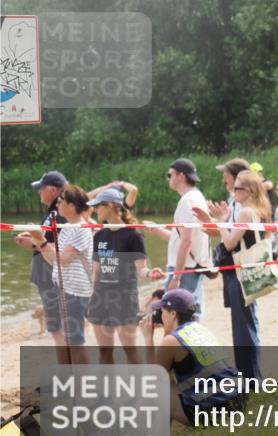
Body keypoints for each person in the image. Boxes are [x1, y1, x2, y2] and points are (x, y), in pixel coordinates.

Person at [194, 159, 262, 381]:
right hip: (238, 270)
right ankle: (249, 376)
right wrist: (214, 222)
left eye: (234, 184)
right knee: (243, 326)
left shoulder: (245, 210)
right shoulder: (244, 206)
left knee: (244, 328)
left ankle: (252, 378)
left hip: (240, 270)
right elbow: (227, 236)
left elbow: (231, 242)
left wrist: (220, 222)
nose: (228, 185)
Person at [141, 288, 245, 425]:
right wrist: (167, 330)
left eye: (162, 311)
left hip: (218, 407)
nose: (160, 315)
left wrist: (148, 338)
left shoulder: (171, 341)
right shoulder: (200, 329)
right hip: (239, 396)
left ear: (173, 314)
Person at [87, 188, 165, 364]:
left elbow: (141, 269)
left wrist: (151, 273)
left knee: (129, 350)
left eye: (98, 206)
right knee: (105, 352)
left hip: (124, 297)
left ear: (110, 206)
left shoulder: (133, 235)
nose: (95, 210)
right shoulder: (99, 235)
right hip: (101, 297)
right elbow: (96, 271)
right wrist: (92, 297)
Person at [28, 184, 94, 362]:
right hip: (63, 288)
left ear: (72, 205)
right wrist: (38, 240)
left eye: (61, 201)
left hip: (75, 291)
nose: (58, 205)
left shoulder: (80, 229)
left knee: (75, 340)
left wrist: (40, 239)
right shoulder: (68, 228)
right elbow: (52, 260)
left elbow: (63, 259)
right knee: (69, 338)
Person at [14, 171, 69, 361]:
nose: (38, 193)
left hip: (51, 274)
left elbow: (56, 247)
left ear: (53, 190)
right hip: (47, 273)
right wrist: (33, 239)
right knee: (58, 326)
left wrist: (33, 242)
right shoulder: (55, 212)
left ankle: (67, 373)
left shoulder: (60, 214)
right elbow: (48, 241)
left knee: (58, 327)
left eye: (41, 189)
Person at [144, 159, 210, 313]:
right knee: (192, 312)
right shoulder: (196, 196)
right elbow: (180, 239)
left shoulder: (187, 201)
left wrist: (176, 277)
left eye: (170, 174)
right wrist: (156, 229)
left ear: (181, 176)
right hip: (193, 266)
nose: (168, 178)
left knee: (178, 315)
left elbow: (186, 241)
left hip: (185, 268)